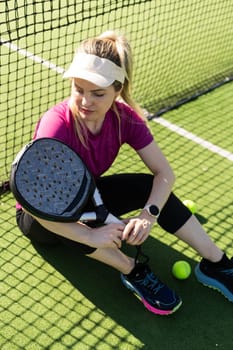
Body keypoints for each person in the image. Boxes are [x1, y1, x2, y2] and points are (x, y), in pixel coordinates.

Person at [16, 30, 233, 316]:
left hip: (85, 193)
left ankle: (217, 264)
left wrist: (148, 215)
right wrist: (92, 236)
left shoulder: (125, 119)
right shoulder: (55, 127)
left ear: (118, 90)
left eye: (98, 93)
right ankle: (132, 270)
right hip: (41, 215)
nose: (85, 101)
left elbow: (164, 173)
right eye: (78, 89)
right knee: (74, 220)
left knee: (146, 186)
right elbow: (44, 209)